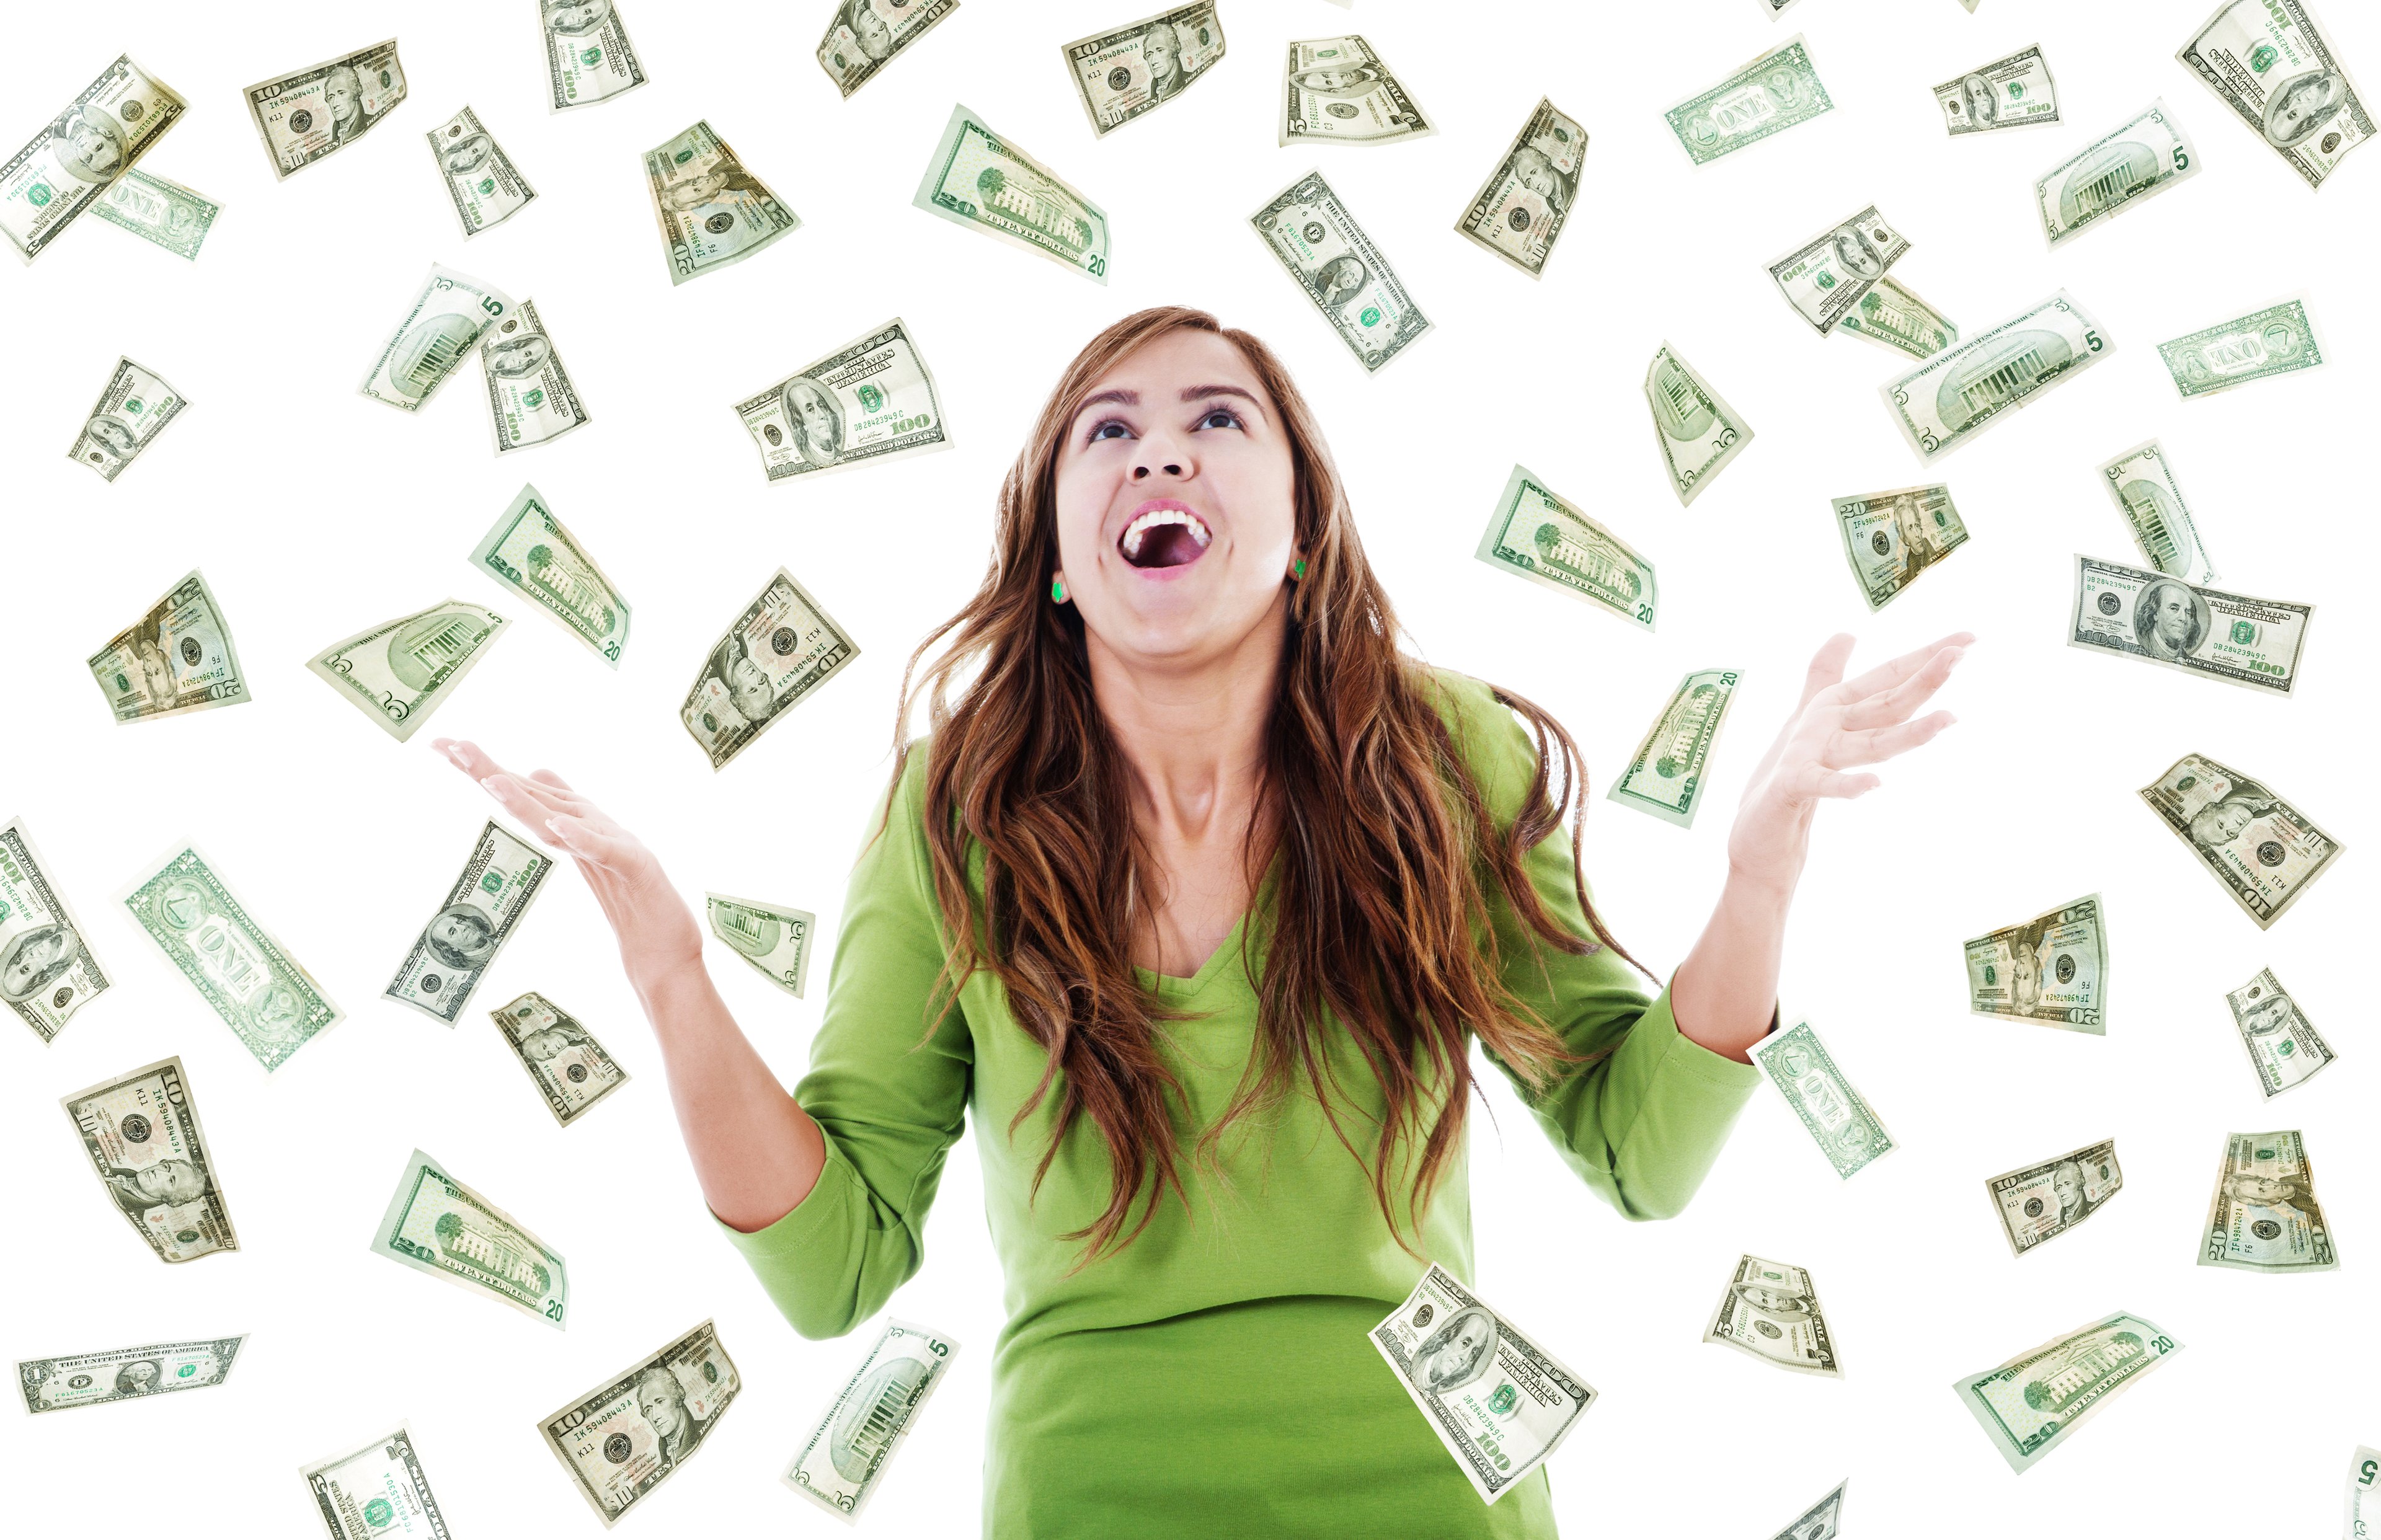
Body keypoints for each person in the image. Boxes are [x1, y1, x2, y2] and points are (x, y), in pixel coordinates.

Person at [435, 306, 1967, 1536]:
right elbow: (832, 1265)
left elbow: (1640, 1148)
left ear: (1300, 526)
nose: (1156, 453)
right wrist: (670, 970)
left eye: (1214, 421)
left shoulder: (1438, 757)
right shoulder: (950, 809)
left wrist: (1757, 876)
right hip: (1091, 1497)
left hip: (1432, 1494)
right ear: (1051, 550)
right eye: (1107, 431)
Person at [0, 921, 81, 1004]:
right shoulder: (73, 951)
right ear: (40, 976)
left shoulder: (54, 924)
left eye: (18, 960)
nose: (27, 956)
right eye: (26, 968)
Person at [2264, 70, 2344, 148]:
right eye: (2294, 114)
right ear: (2309, 119)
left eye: (2286, 105)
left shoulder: (2321, 71)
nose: (2295, 101)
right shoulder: (2340, 97)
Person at [781, 378, 844, 466]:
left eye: (821, 405)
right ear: (802, 423)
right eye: (810, 410)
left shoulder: (841, 454)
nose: (822, 415)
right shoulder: (809, 459)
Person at [2137, 580, 2202, 661]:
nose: (2184, 618)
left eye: (2188, 613)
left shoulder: (2189, 661)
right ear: (2156, 613)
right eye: (2174, 609)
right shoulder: (2141, 647)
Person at [423, 906, 498, 970]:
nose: (464, 927)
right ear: (452, 947)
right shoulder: (472, 967)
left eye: (460, 922)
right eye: (453, 932)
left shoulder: (499, 935)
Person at [486, 330, 553, 379]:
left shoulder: (496, 375)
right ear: (517, 347)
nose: (523, 363)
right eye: (527, 354)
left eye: (530, 362)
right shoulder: (489, 355)